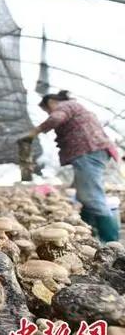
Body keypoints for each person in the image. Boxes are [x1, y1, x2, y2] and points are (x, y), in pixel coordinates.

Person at [25, 90, 119, 243]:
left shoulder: (66, 105)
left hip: (88, 151)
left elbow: (56, 118)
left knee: (92, 197)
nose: (49, 112)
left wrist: (34, 132)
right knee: (86, 195)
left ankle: (110, 243)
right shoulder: (76, 108)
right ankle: (87, 236)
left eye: (47, 110)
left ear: (51, 102)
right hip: (91, 152)